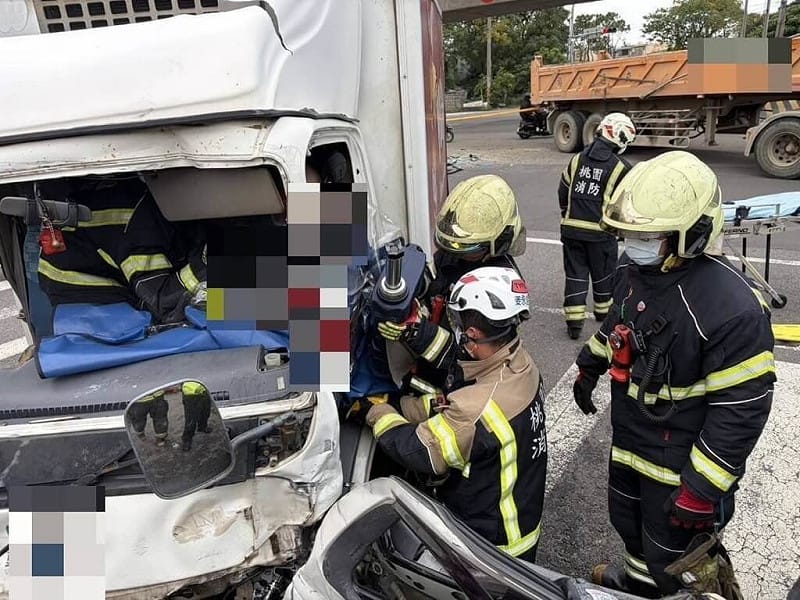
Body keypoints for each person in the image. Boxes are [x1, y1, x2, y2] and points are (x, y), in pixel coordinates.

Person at [572, 151, 775, 597]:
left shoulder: (731, 309)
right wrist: (590, 365)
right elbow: (617, 325)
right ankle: (637, 584)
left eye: (648, 235)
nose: (633, 243)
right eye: (630, 233)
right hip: (630, 444)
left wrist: (702, 489)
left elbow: (739, 411)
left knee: (676, 557)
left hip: (681, 470)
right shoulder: (636, 270)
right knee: (631, 529)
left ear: (694, 233)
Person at [366, 266, 547, 563]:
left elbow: (420, 450)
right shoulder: (521, 365)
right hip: (519, 520)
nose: (457, 328)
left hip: (492, 547)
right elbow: (455, 405)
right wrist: (406, 406)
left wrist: (378, 412)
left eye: (459, 323)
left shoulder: (476, 407)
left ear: (473, 333)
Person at [377, 174, 527, 394]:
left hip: (458, 389)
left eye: (467, 249)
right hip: (427, 366)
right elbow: (434, 282)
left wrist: (415, 331)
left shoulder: (499, 292)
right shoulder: (456, 254)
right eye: (452, 247)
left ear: (498, 243)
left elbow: (467, 359)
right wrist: (410, 292)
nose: (456, 254)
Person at [36, 176, 207, 326]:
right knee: (189, 318)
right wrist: (207, 267)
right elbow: (163, 302)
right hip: (85, 295)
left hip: (108, 271)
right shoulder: (143, 223)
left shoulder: (173, 207)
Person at [558, 112, 636, 340]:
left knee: (575, 275)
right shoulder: (622, 167)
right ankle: (603, 314)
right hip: (601, 233)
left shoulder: (577, 159)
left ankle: (574, 324)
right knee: (604, 274)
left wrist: (567, 214)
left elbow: (562, 190)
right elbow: (626, 204)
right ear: (620, 138)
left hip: (571, 229)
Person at [181, 380, 213, 452]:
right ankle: (187, 439)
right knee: (191, 419)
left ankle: (202, 427)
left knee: (205, 412)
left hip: (205, 389)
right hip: (191, 392)